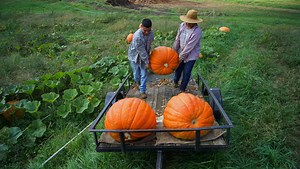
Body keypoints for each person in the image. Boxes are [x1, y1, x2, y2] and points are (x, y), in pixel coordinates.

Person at [172, 9, 203, 93]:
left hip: (191, 55)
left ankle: (182, 88)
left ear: (194, 22)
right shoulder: (182, 26)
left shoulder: (197, 32)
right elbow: (177, 39)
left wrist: (181, 58)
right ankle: (175, 81)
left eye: (190, 22)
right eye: (187, 21)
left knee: (187, 71)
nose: (188, 23)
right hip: (180, 51)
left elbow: (189, 47)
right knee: (178, 69)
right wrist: (173, 51)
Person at [128, 18, 154, 99]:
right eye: (145, 30)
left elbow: (149, 45)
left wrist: (148, 57)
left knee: (144, 74)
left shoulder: (151, 34)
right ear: (141, 26)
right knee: (136, 74)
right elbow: (141, 51)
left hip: (144, 55)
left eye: (148, 30)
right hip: (134, 56)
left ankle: (142, 91)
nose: (147, 32)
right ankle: (137, 81)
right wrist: (147, 62)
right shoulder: (137, 36)